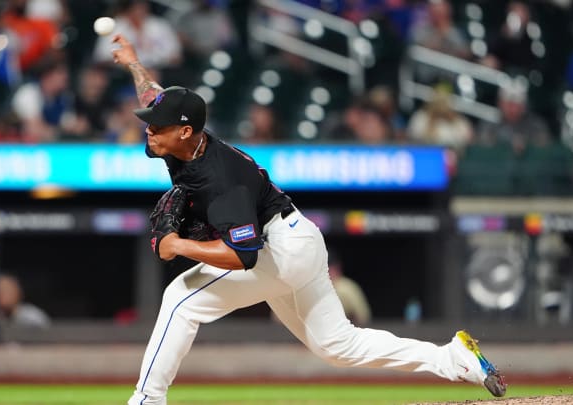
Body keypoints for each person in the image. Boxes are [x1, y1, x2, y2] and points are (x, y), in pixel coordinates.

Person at [110, 33, 507, 405]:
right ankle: (454, 359)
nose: (147, 128)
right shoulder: (187, 138)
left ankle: (146, 400)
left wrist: (177, 245)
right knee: (339, 347)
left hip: (278, 248)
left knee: (181, 298)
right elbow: (155, 95)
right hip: (297, 239)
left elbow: (243, 254)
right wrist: (133, 62)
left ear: (183, 131)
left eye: (155, 126)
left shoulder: (219, 180)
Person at [327, 250, 371, 327]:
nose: (329, 273)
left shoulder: (346, 287)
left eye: (330, 269)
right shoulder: (313, 287)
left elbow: (362, 317)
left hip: (347, 329)